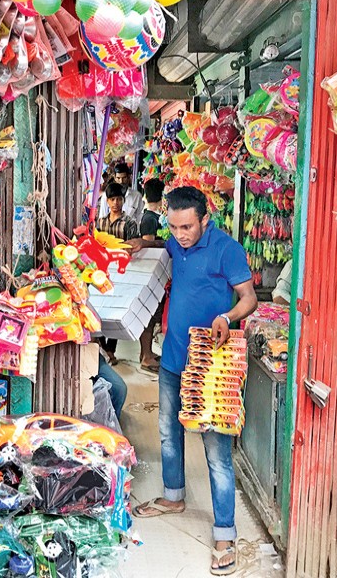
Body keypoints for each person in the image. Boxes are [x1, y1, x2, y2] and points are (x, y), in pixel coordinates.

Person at [125, 186, 258, 576]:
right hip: (173, 355)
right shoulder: (174, 243)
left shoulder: (226, 248)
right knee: (168, 431)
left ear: (204, 219)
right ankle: (174, 496)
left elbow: (249, 298)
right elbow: (158, 247)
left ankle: (224, 532)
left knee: (216, 449)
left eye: (187, 227)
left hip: (210, 359)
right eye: (175, 227)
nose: (181, 235)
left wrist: (227, 318)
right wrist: (138, 244)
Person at [96, 182, 139, 365]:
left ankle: (110, 349)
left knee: (116, 309)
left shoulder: (129, 223)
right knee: (101, 308)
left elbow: (133, 247)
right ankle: (102, 346)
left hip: (122, 271)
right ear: (107, 201)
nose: (115, 203)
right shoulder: (101, 222)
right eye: (112, 199)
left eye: (119, 199)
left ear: (123, 200)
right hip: (102, 271)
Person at [138, 179, 165, 373]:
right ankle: (146, 356)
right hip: (150, 274)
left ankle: (146, 353)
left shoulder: (153, 217)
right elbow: (147, 246)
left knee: (152, 316)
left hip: (155, 274)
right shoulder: (149, 219)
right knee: (149, 316)